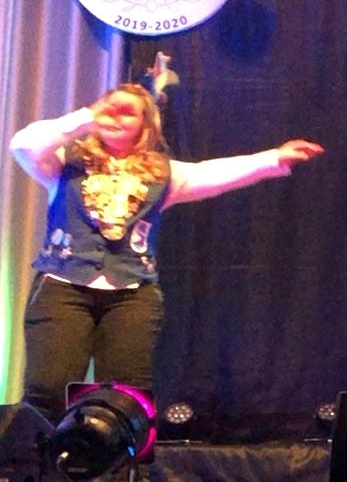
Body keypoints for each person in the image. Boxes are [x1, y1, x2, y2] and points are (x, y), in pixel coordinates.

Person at [9, 78, 324, 422]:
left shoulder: (162, 173)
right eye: (109, 109)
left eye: (127, 112)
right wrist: (86, 116)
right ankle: (38, 456)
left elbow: (214, 173)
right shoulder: (65, 164)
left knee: (127, 395)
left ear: (143, 125)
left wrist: (273, 158)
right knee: (48, 388)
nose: (115, 117)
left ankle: (122, 459)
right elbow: (23, 145)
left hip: (131, 292)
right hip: (63, 285)